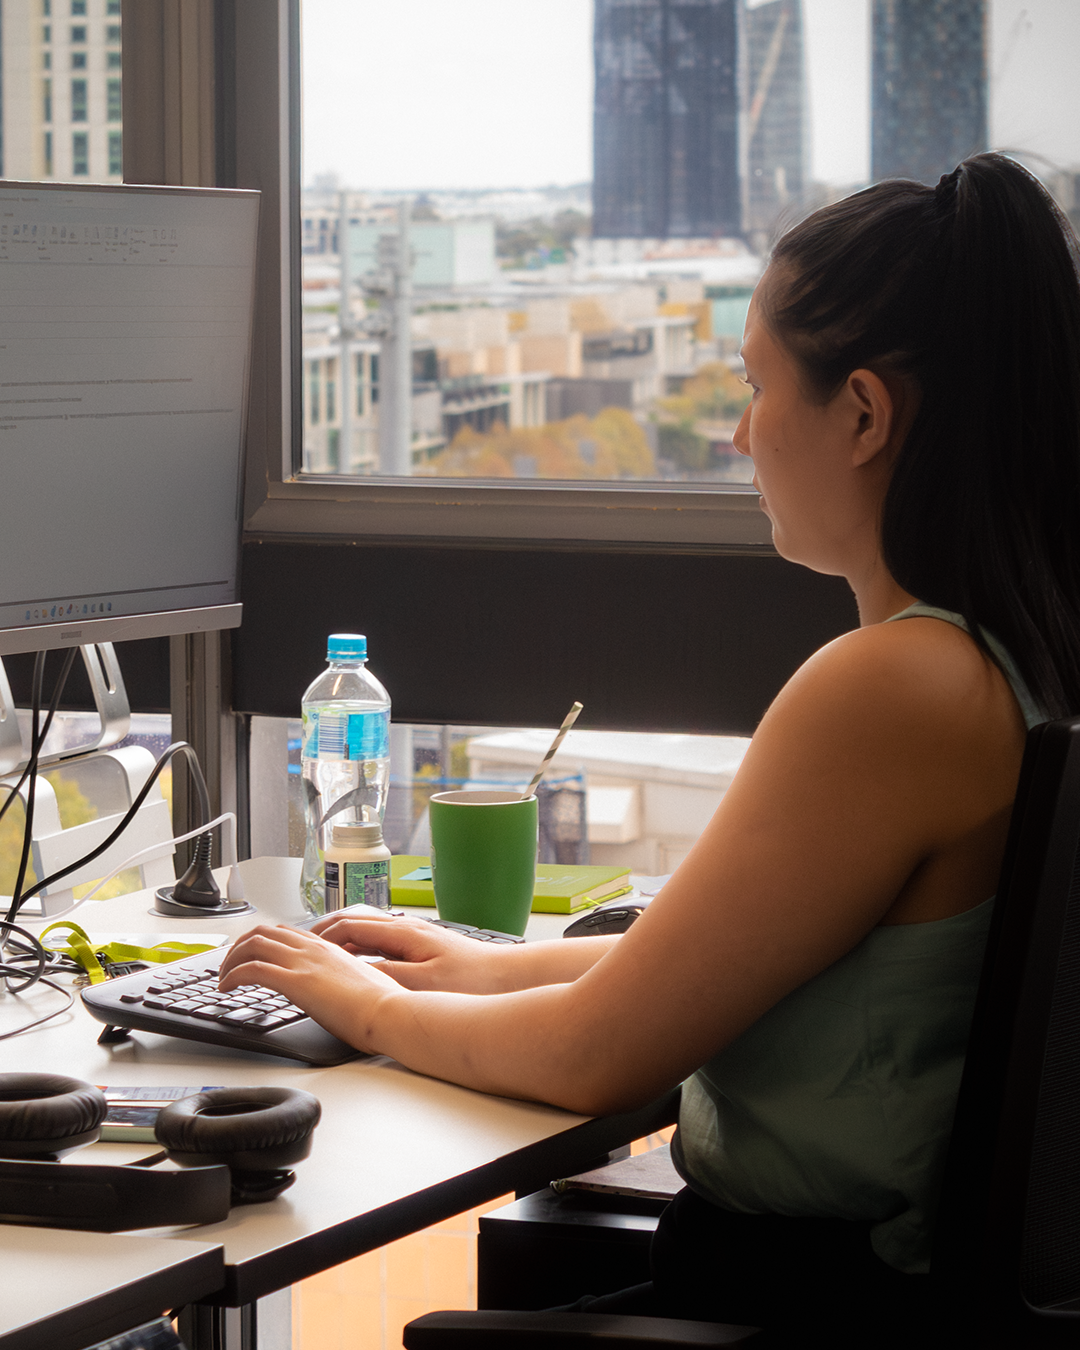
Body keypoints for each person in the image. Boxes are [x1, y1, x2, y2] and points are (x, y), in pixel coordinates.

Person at [220, 154, 1080, 1340]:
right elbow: (713, 965)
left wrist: (363, 1006)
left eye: (756, 385)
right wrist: (455, 964)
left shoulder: (898, 688)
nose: (737, 433)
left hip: (806, 1303)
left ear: (866, 414)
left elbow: (597, 1057)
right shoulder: (1015, 657)